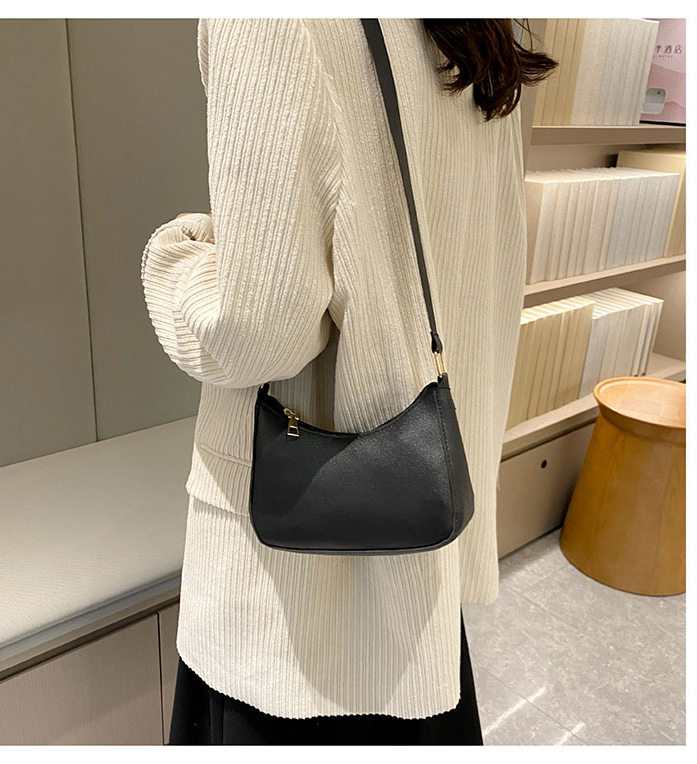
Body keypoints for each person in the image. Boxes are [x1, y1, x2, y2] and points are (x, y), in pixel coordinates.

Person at [141, 18, 556, 745]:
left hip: (295, 606)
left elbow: (256, 332)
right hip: (420, 529)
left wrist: (177, 253)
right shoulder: (481, 23)